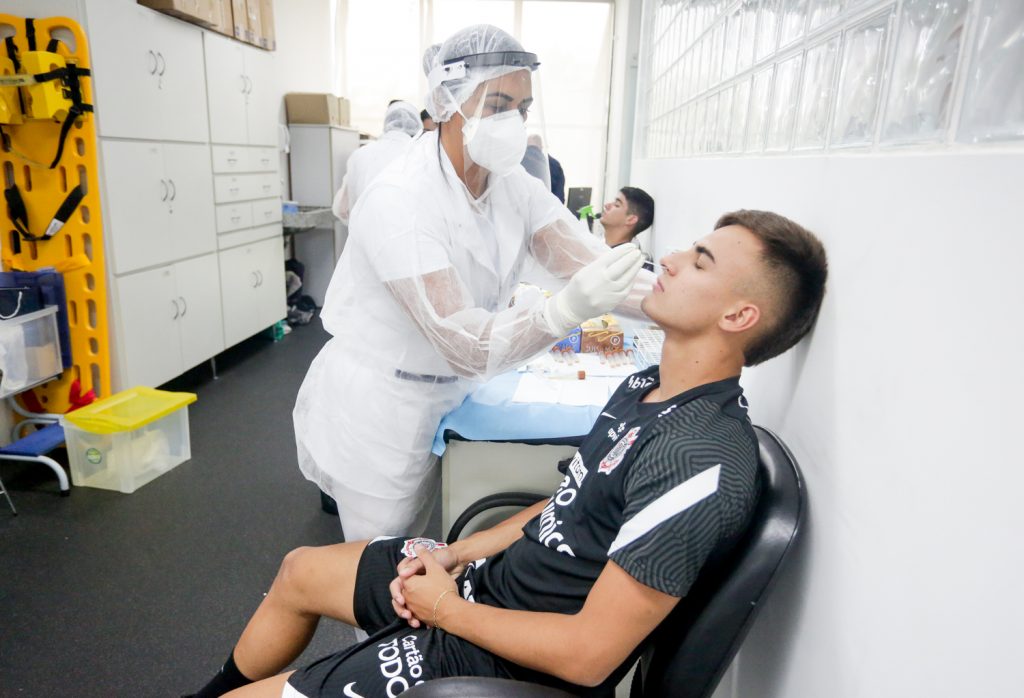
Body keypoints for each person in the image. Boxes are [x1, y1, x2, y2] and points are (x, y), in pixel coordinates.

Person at [184, 208, 827, 698]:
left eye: (703, 260)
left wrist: (444, 609)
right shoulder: (645, 388)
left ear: (740, 316)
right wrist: (453, 554)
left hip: (502, 656)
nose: (677, 258)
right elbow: (566, 507)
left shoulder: (698, 460)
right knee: (302, 569)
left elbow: (589, 656)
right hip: (480, 588)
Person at [293, 24, 653, 544]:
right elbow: (464, 342)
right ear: (446, 102)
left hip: (455, 393)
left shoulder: (512, 188)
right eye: (498, 104)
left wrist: (686, 298)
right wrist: (562, 312)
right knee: (382, 566)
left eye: (523, 109)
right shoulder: (401, 198)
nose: (514, 123)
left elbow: (589, 261)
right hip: (386, 403)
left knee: (443, 544)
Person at [332, 101, 422, 224]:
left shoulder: (359, 155)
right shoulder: (421, 156)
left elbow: (341, 209)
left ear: (387, 122)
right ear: (417, 125)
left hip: (364, 237)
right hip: (406, 238)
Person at [520, 134, 565, 202]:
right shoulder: (555, 165)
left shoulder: (519, 162)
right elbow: (560, 197)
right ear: (541, 146)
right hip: (549, 208)